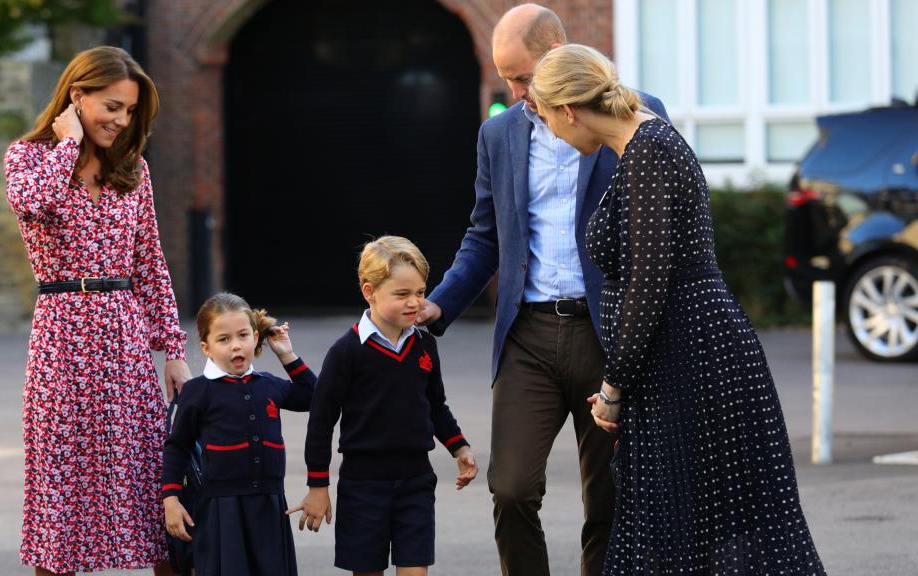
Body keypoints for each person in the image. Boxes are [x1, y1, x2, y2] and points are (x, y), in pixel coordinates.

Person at [530, 43, 827, 574]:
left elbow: (648, 285)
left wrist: (614, 388)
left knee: (688, 533)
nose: (550, 132)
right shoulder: (642, 144)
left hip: (689, 359)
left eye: (546, 117)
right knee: (688, 534)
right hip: (679, 358)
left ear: (568, 110)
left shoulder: (647, 150)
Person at [414, 5, 668, 575]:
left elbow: (656, 232)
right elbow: (485, 236)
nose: (515, 92)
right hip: (527, 335)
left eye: (523, 77)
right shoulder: (498, 132)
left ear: (556, 54)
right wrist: (439, 303)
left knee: (610, 497)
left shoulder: (634, 113)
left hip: (607, 332)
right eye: (506, 78)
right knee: (511, 488)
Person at [4, 46, 191, 575]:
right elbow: (31, 203)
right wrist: (67, 144)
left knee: (152, 485)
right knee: (59, 489)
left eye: (129, 111)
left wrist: (173, 350)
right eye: (112, 106)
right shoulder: (28, 157)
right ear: (76, 96)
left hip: (124, 339)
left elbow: (150, 263)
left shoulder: (133, 170)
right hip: (61, 339)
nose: (122, 120)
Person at [290, 236, 478, 576]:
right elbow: (321, 421)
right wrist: (318, 486)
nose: (414, 302)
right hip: (362, 485)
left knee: (415, 571)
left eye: (420, 292)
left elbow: (435, 405)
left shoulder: (425, 346)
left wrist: (459, 446)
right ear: (370, 292)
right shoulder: (346, 352)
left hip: (416, 481)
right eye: (402, 294)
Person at [162, 293, 316, 576]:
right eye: (223, 339)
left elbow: (313, 397)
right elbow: (177, 447)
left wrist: (286, 354)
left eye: (243, 335)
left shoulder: (268, 385)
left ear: (255, 338)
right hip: (222, 511)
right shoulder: (198, 391)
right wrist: (170, 500)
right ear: (206, 347)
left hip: (269, 506)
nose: (236, 345)